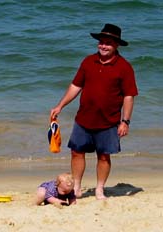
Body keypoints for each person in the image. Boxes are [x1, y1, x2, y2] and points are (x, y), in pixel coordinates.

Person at [50, 24, 138, 200]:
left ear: (116, 45)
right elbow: (76, 86)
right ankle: (76, 187)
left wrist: (125, 121)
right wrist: (60, 106)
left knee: (104, 156)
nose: (103, 46)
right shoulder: (88, 61)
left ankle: (99, 189)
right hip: (83, 119)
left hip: (109, 121)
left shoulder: (124, 67)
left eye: (108, 43)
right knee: (76, 152)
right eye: (101, 42)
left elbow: (129, 96)